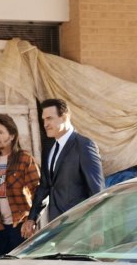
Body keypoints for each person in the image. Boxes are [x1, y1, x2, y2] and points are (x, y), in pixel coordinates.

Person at [21, 98, 103, 238]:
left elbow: (97, 191)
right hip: (55, 226)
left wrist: (98, 229)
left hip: (79, 227)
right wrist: (32, 218)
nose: (45, 124)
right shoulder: (49, 148)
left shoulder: (84, 145)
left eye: (49, 119)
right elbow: (45, 186)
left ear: (64, 117)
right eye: (43, 120)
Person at [0, 114, 41, 259]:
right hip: (0, 227)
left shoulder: (25, 159)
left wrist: (32, 220)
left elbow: (39, 193)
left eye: (1, 132)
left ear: (11, 136)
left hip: (21, 226)